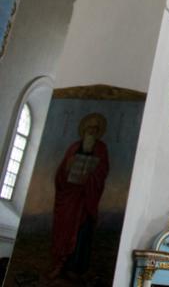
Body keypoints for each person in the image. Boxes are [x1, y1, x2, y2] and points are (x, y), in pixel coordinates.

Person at [49, 113, 110, 281]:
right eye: (89, 127)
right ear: (84, 129)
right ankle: (60, 265)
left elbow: (102, 171)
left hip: (86, 199)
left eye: (95, 128)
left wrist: (90, 177)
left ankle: (76, 269)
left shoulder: (101, 148)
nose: (92, 131)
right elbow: (60, 174)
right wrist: (67, 169)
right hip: (70, 198)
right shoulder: (74, 147)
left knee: (82, 233)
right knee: (65, 231)